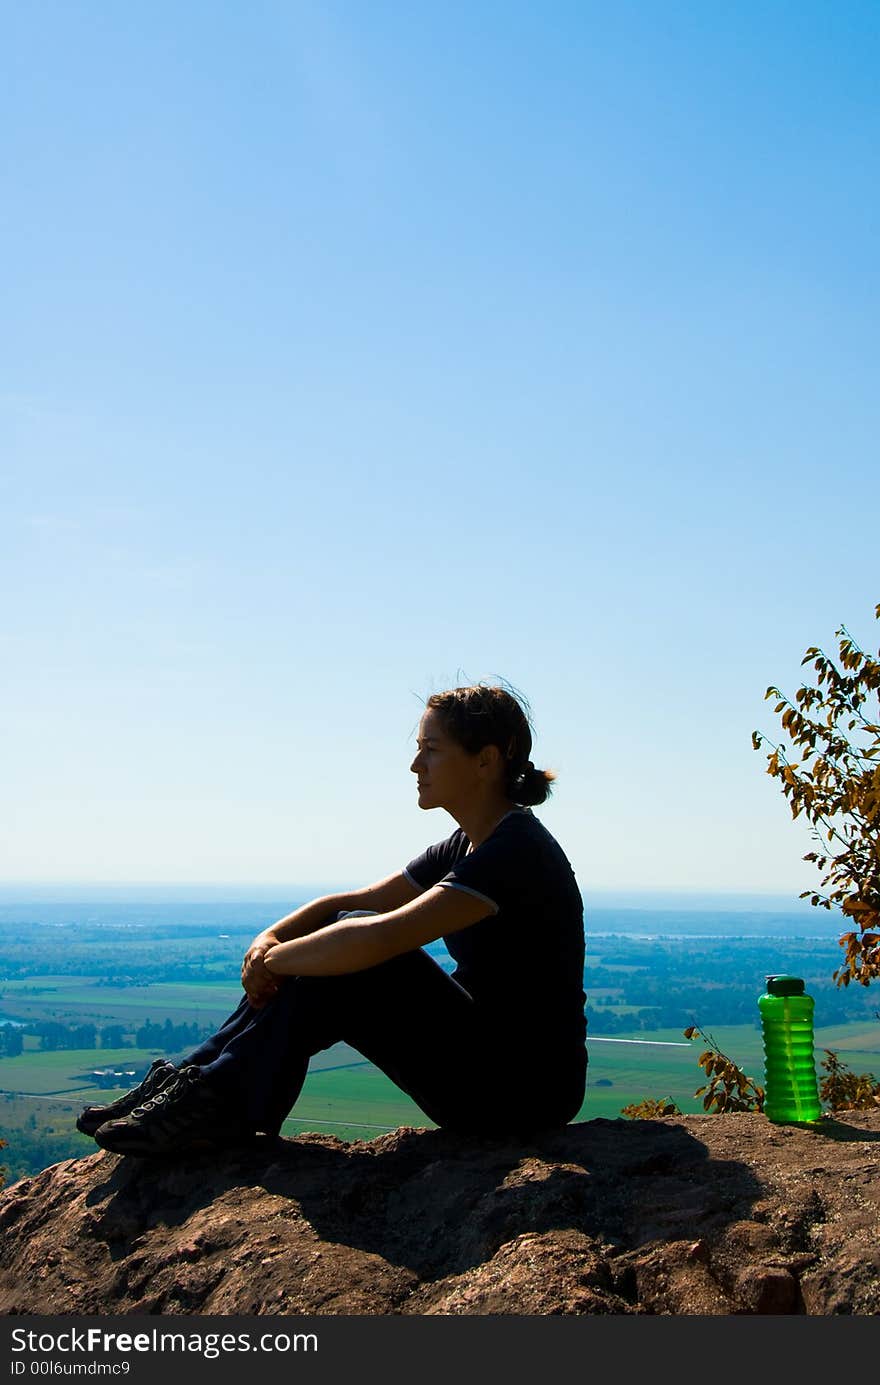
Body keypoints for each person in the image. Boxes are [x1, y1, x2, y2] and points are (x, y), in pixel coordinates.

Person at [77, 683, 587, 1156]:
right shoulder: (467, 844)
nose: (415, 764)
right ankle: (194, 1083)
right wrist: (269, 941)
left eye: (431, 749)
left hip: (524, 1093)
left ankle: (217, 1102)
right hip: (488, 1066)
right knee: (338, 937)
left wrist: (277, 961)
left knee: (357, 960)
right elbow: (349, 903)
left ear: (486, 760)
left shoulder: (515, 852)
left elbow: (383, 935)